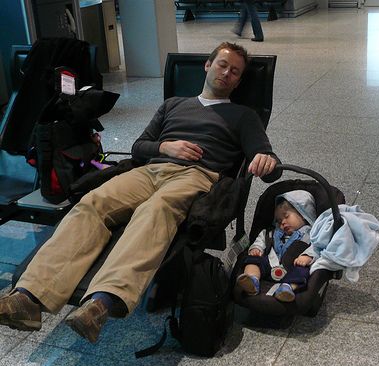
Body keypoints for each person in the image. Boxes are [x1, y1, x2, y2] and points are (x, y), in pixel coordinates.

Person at [0, 42, 278, 343]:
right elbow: (138, 147)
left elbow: (266, 159)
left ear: (238, 81)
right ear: (208, 66)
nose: (227, 73)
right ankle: (28, 297)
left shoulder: (243, 115)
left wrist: (267, 162)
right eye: (222, 65)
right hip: (148, 170)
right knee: (93, 203)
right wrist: (164, 146)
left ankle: (100, 303)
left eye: (235, 72)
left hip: (197, 175)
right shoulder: (173, 104)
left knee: (156, 210)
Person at [236, 190, 317, 302]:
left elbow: (317, 248)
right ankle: (252, 280)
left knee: (302, 272)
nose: (282, 222)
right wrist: (256, 248)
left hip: (293, 266)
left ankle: (287, 289)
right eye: (278, 221)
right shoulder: (271, 233)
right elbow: (260, 240)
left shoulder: (311, 235)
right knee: (253, 260)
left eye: (286, 216)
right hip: (269, 264)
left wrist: (307, 256)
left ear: (303, 215)